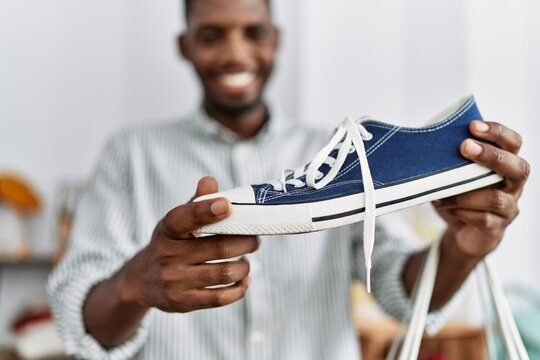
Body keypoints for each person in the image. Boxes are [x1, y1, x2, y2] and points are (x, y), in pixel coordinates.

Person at [48, 0, 530, 359]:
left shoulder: (336, 151)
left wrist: (461, 250)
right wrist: (135, 284)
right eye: (213, 35)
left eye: (253, 32)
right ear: (185, 45)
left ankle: (441, 155)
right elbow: (78, 315)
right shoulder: (130, 154)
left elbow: (395, 287)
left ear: (275, 40)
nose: (235, 53)